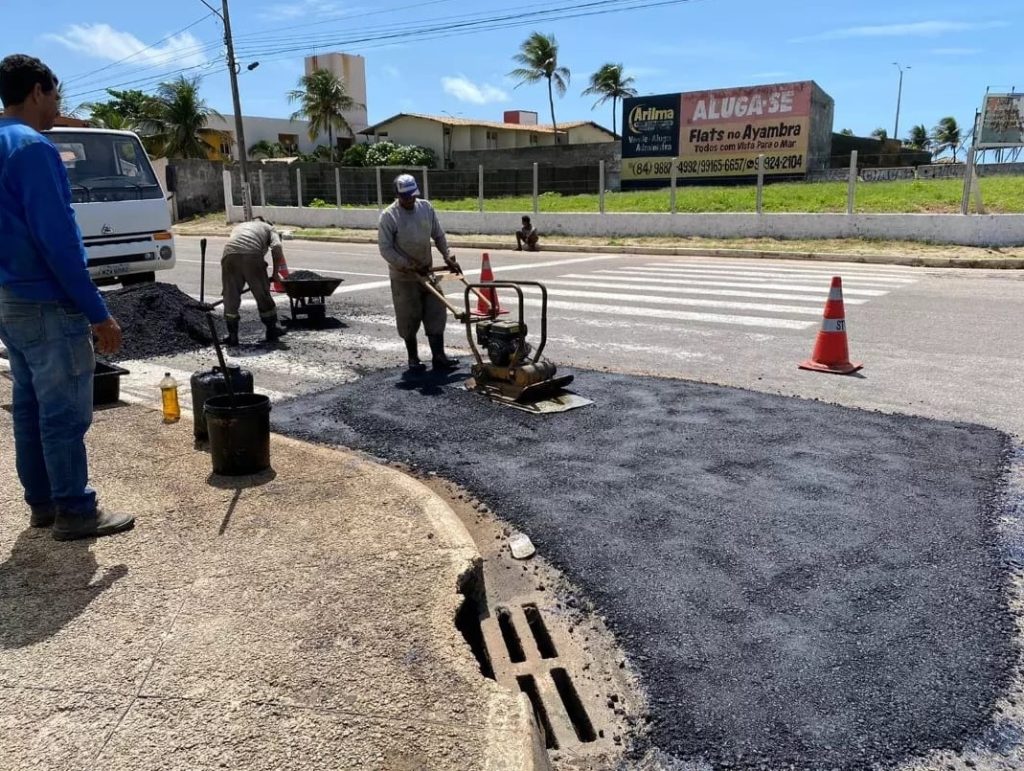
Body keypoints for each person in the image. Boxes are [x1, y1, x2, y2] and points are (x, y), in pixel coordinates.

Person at [0, 54, 134, 540]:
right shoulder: (32, 150)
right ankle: (75, 510)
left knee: (30, 407)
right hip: (47, 303)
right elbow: (57, 242)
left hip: (10, 300)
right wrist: (98, 313)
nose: (58, 104)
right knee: (63, 413)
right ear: (36, 91)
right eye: (56, 94)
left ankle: (42, 505)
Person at [377, 173, 461, 372]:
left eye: (412, 196)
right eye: (405, 197)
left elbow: (438, 235)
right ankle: (413, 358)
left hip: (427, 271)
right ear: (397, 195)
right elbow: (385, 249)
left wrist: (448, 255)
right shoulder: (389, 216)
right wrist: (408, 264)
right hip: (404, 277)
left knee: (436, 311)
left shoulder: (425, 208)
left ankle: (439, 356)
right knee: (409, 316)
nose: (409, 200)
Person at [220, 216, 286, 346]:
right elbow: (277, 247)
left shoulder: (240, 226)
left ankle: (232, 336)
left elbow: (238, 245)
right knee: (263, 295)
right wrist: (275, 274)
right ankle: (272, 330)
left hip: (229, 256)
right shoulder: (270, 228)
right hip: (252, 256)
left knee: (230, 297)